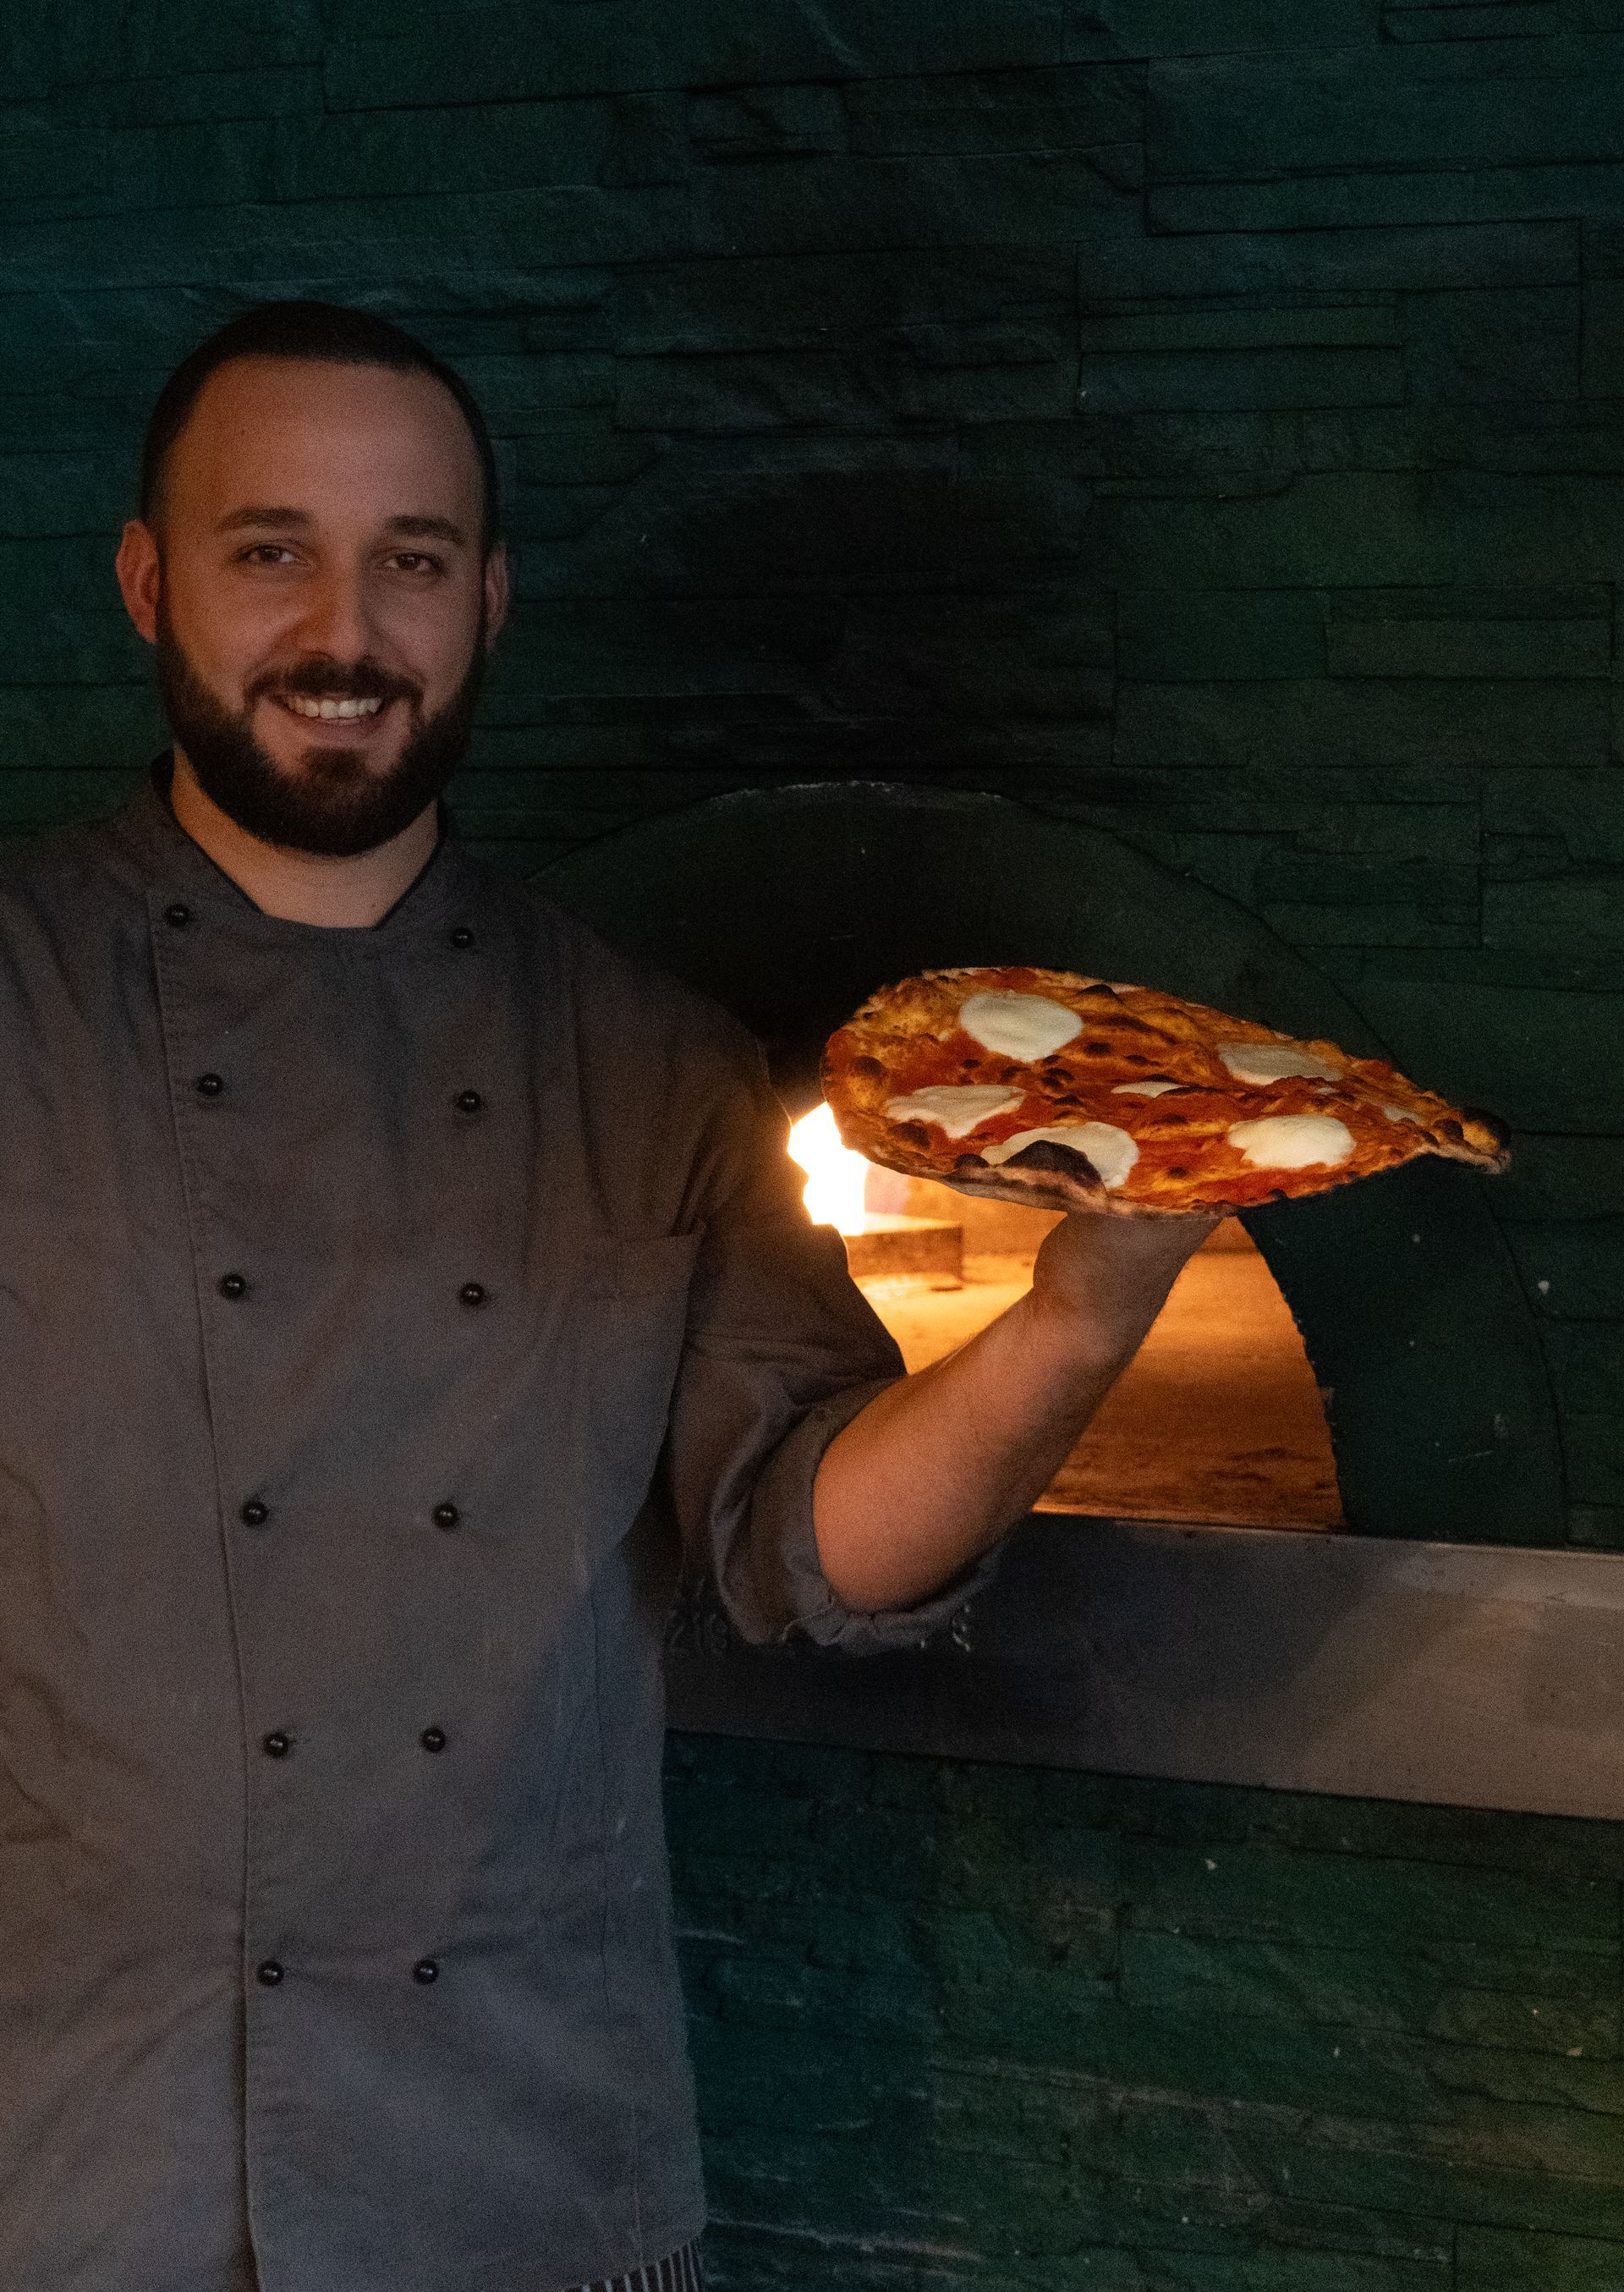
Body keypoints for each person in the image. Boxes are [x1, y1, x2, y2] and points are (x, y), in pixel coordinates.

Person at [0, 302, 1217, 2292]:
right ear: (148, 582)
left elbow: (804, 1539)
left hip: (522, 2156)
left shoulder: (651, 1062)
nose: (343, 628)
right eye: (270, 548)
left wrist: (1082, 1316)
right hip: (75, 2160)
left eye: (410, 559)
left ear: (488, 599)